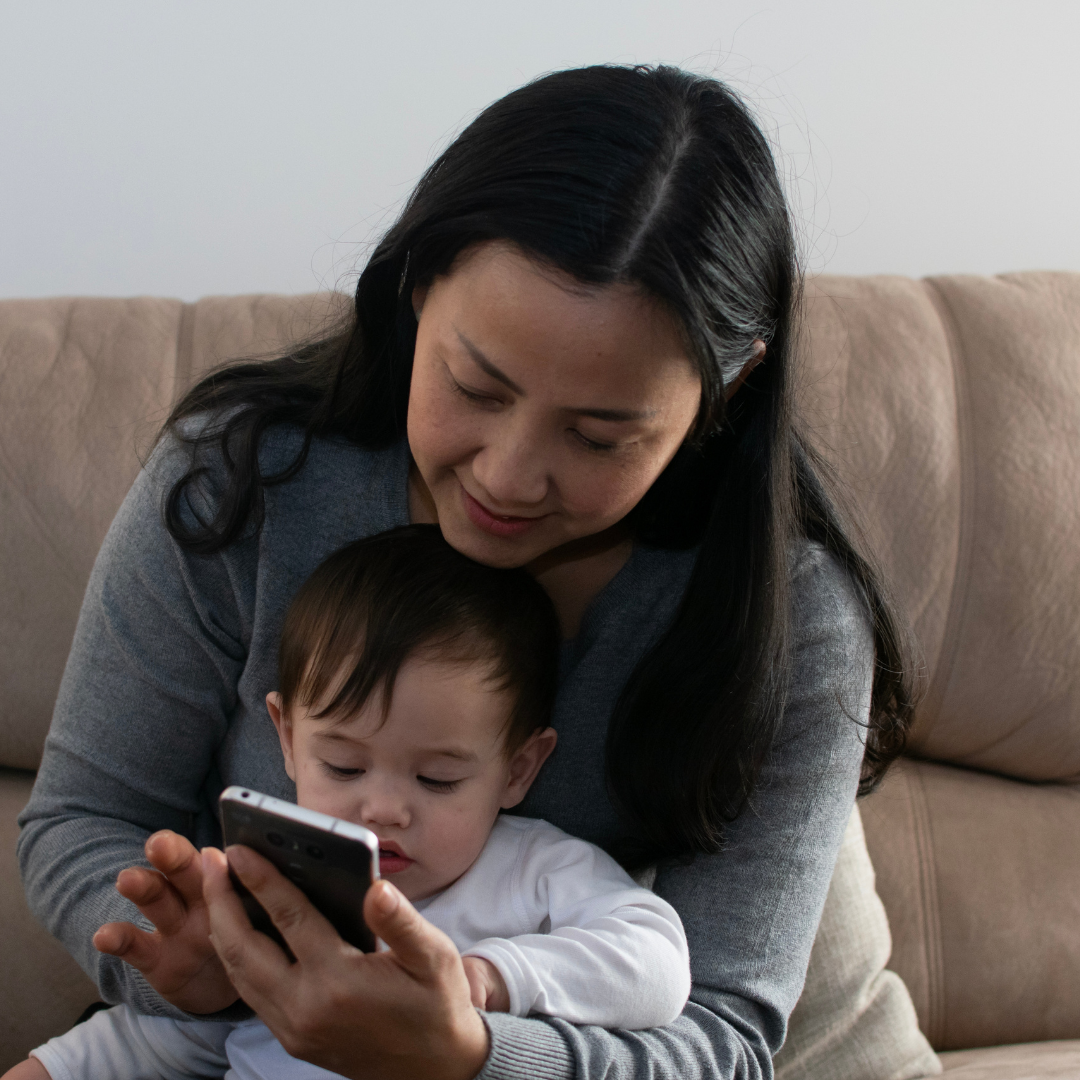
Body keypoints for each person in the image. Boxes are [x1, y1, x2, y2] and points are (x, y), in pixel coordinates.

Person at [18, 64, 915, 1080]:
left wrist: (473, 1051)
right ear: (416, 285)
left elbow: (720, 1035)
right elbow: (81, 820)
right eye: (475, 386)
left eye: (596, 435)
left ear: (729, 386)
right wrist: (175, 957)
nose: (508, 475)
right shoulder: (248, 490)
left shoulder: (790, 625)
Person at [10, 526, 690, 1080]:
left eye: (437, 780)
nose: (384, 809)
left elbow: (657, 965)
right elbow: (163, 1044)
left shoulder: (536, 867)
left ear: (518, 769)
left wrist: (487, 980)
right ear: (285, 737)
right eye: (343, 765)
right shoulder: (281, 885)